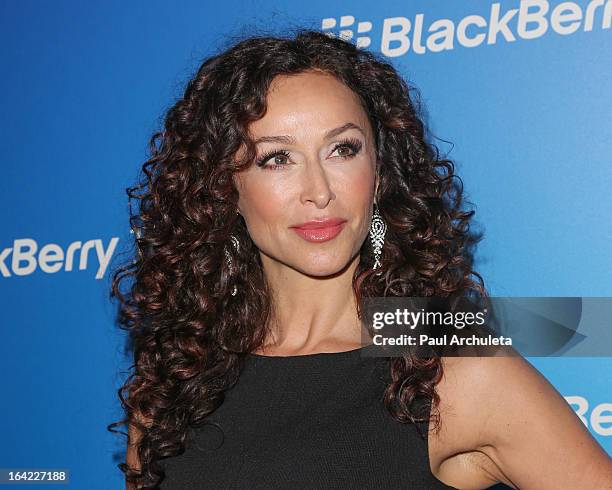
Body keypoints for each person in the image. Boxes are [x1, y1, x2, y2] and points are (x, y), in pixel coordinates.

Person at [108, 28, 612, 489]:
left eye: (342, 149)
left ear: (380, 169)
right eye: (277, 158)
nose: (319, 192)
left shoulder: (443, 357)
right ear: (224, 188)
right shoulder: (178, 376)